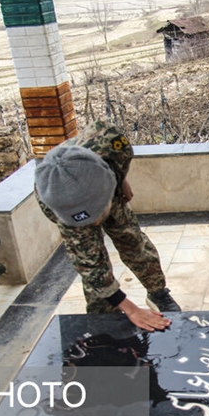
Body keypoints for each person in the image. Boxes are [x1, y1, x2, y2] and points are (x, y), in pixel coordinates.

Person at [35, 120, 180, 331]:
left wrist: (120, 180)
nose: (95, 223)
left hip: (104, 186)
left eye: (96, 214)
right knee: (95, 274)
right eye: (88, 219)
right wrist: (131, 309)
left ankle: (158, 293)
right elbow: (93, 270)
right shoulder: (56, 202)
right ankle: (104, 321)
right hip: (77, 207)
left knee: (131, 239)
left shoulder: (111, 142)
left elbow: (117, 161)